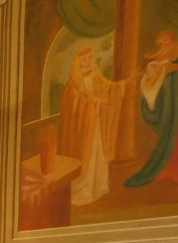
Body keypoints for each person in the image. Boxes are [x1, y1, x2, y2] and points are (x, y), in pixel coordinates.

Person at [59, 44, 130, 206]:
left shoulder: (96, 76)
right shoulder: (72, 83)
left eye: (90, 58)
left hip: (97, 123)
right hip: (83, 129)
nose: (87, 62)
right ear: (78, 62)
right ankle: (83, 193)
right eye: (83, 60)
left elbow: (108, 88)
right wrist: (96, 103)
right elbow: (75, 104)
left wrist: (124, 84)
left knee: (98, 154)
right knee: (87, 157)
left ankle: (99, 188)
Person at [126, 30, 178, 187]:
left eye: (165, 41)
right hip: (170, 89)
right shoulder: (164, 52)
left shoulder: (175, 47)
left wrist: (169, 67)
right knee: (172, 131)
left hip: (174, 85)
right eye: (161, 43)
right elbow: (156, 61)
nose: (163, 45)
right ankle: (169, 168)